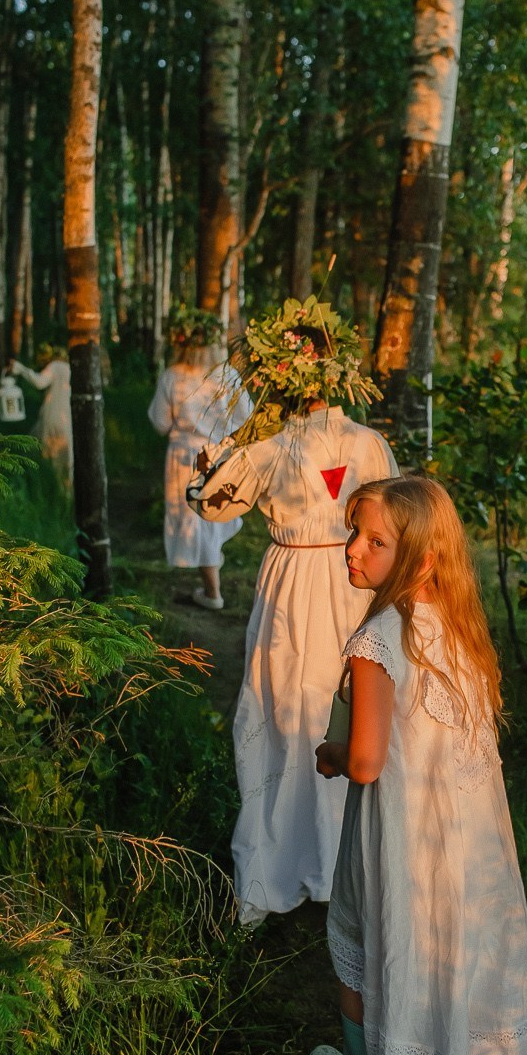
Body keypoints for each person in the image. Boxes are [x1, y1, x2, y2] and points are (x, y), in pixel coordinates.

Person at [310, 474, 527, 1055]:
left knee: (356, 937)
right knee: (463, 968)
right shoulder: (456, 623)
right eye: (355, 532)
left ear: (417, 559)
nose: (354, 550)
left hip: (400, 843)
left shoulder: (376, 640)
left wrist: (330, 753)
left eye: (375, 542)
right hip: (471, 850)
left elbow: (367, 762)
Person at [186, 304, 397, 922]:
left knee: (284, 715)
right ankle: (341, 865)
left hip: (295, 589)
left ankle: (283, 865)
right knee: (354, 709)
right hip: (361, 582)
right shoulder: (370, 442)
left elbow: (211, 506)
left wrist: (219, 459)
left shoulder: (271, 444)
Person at [147, 311, 253, 610]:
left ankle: (212, 592)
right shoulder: (226, 374)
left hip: (184, 457)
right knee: (211, 517)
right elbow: (245, 416)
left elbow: (159, 422)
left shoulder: (172, 375)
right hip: (220, 454)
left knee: (196, 520)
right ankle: (211, 584)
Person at [9, 346, 73, 487]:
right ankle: (66, 492)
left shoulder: (55, 366)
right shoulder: (71, 369)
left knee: (43, 451)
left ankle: (43, 486)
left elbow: (39, 382)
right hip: (67, 418)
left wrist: (20, 369)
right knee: (65, 456)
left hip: (52, 416)